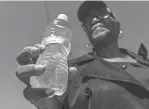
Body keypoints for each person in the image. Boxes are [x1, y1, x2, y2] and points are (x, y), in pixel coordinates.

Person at [16, 1, 149, 109]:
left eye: (100, 14)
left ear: (116, 23)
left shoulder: (145, 62)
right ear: (86, 31)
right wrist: (55, 105)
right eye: (88, 20)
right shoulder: (73, 71)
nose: (94, 20)